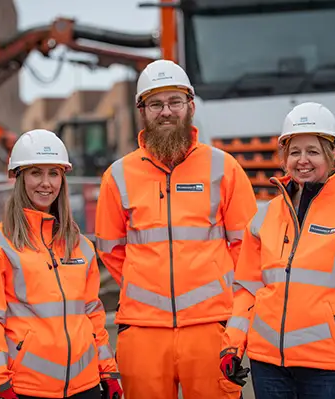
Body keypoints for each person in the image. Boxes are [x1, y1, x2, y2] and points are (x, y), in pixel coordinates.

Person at [94, 59, 258, 399]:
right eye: (155, 103)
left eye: (174, 102)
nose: (165, 112)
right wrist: (148, 284)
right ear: (142, 110)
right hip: (142, 332)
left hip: (212, 327)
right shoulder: (118, 176)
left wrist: (233, 319)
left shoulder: (223, 168)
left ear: (191, 106)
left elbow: (249, 251)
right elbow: (111, 250)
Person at [220, 102, 335, 399]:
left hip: (330, 369)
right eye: (295, 151)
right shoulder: (264, 217)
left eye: (313, 151)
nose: (303, 160)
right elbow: (248, 291)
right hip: (268, 365)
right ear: (284, 157)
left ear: (333, 153)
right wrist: (233, 344)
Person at [0, 129, 123, 399]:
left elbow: (92, 314)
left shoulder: (81, 246)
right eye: (36, 172)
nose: (46, 183)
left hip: (85, 387)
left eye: (54, 173)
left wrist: (107, 369)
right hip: (24, 390)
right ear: (19, 177)